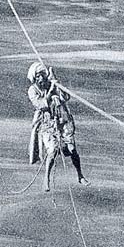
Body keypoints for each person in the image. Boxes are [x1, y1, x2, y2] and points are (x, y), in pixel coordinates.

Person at [27, 61, 88, 192]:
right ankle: (46, 180)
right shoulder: (32, 90)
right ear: (34, 78)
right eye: (38, 76)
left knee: (72, 149)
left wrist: (56, 82)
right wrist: (50, 92)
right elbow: (41, 105)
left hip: (63, 121)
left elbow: (66, 97)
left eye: (42, 74)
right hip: (47, 124)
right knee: (53, 150)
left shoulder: (51, 83)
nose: (41, 78)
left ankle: (80, 175)